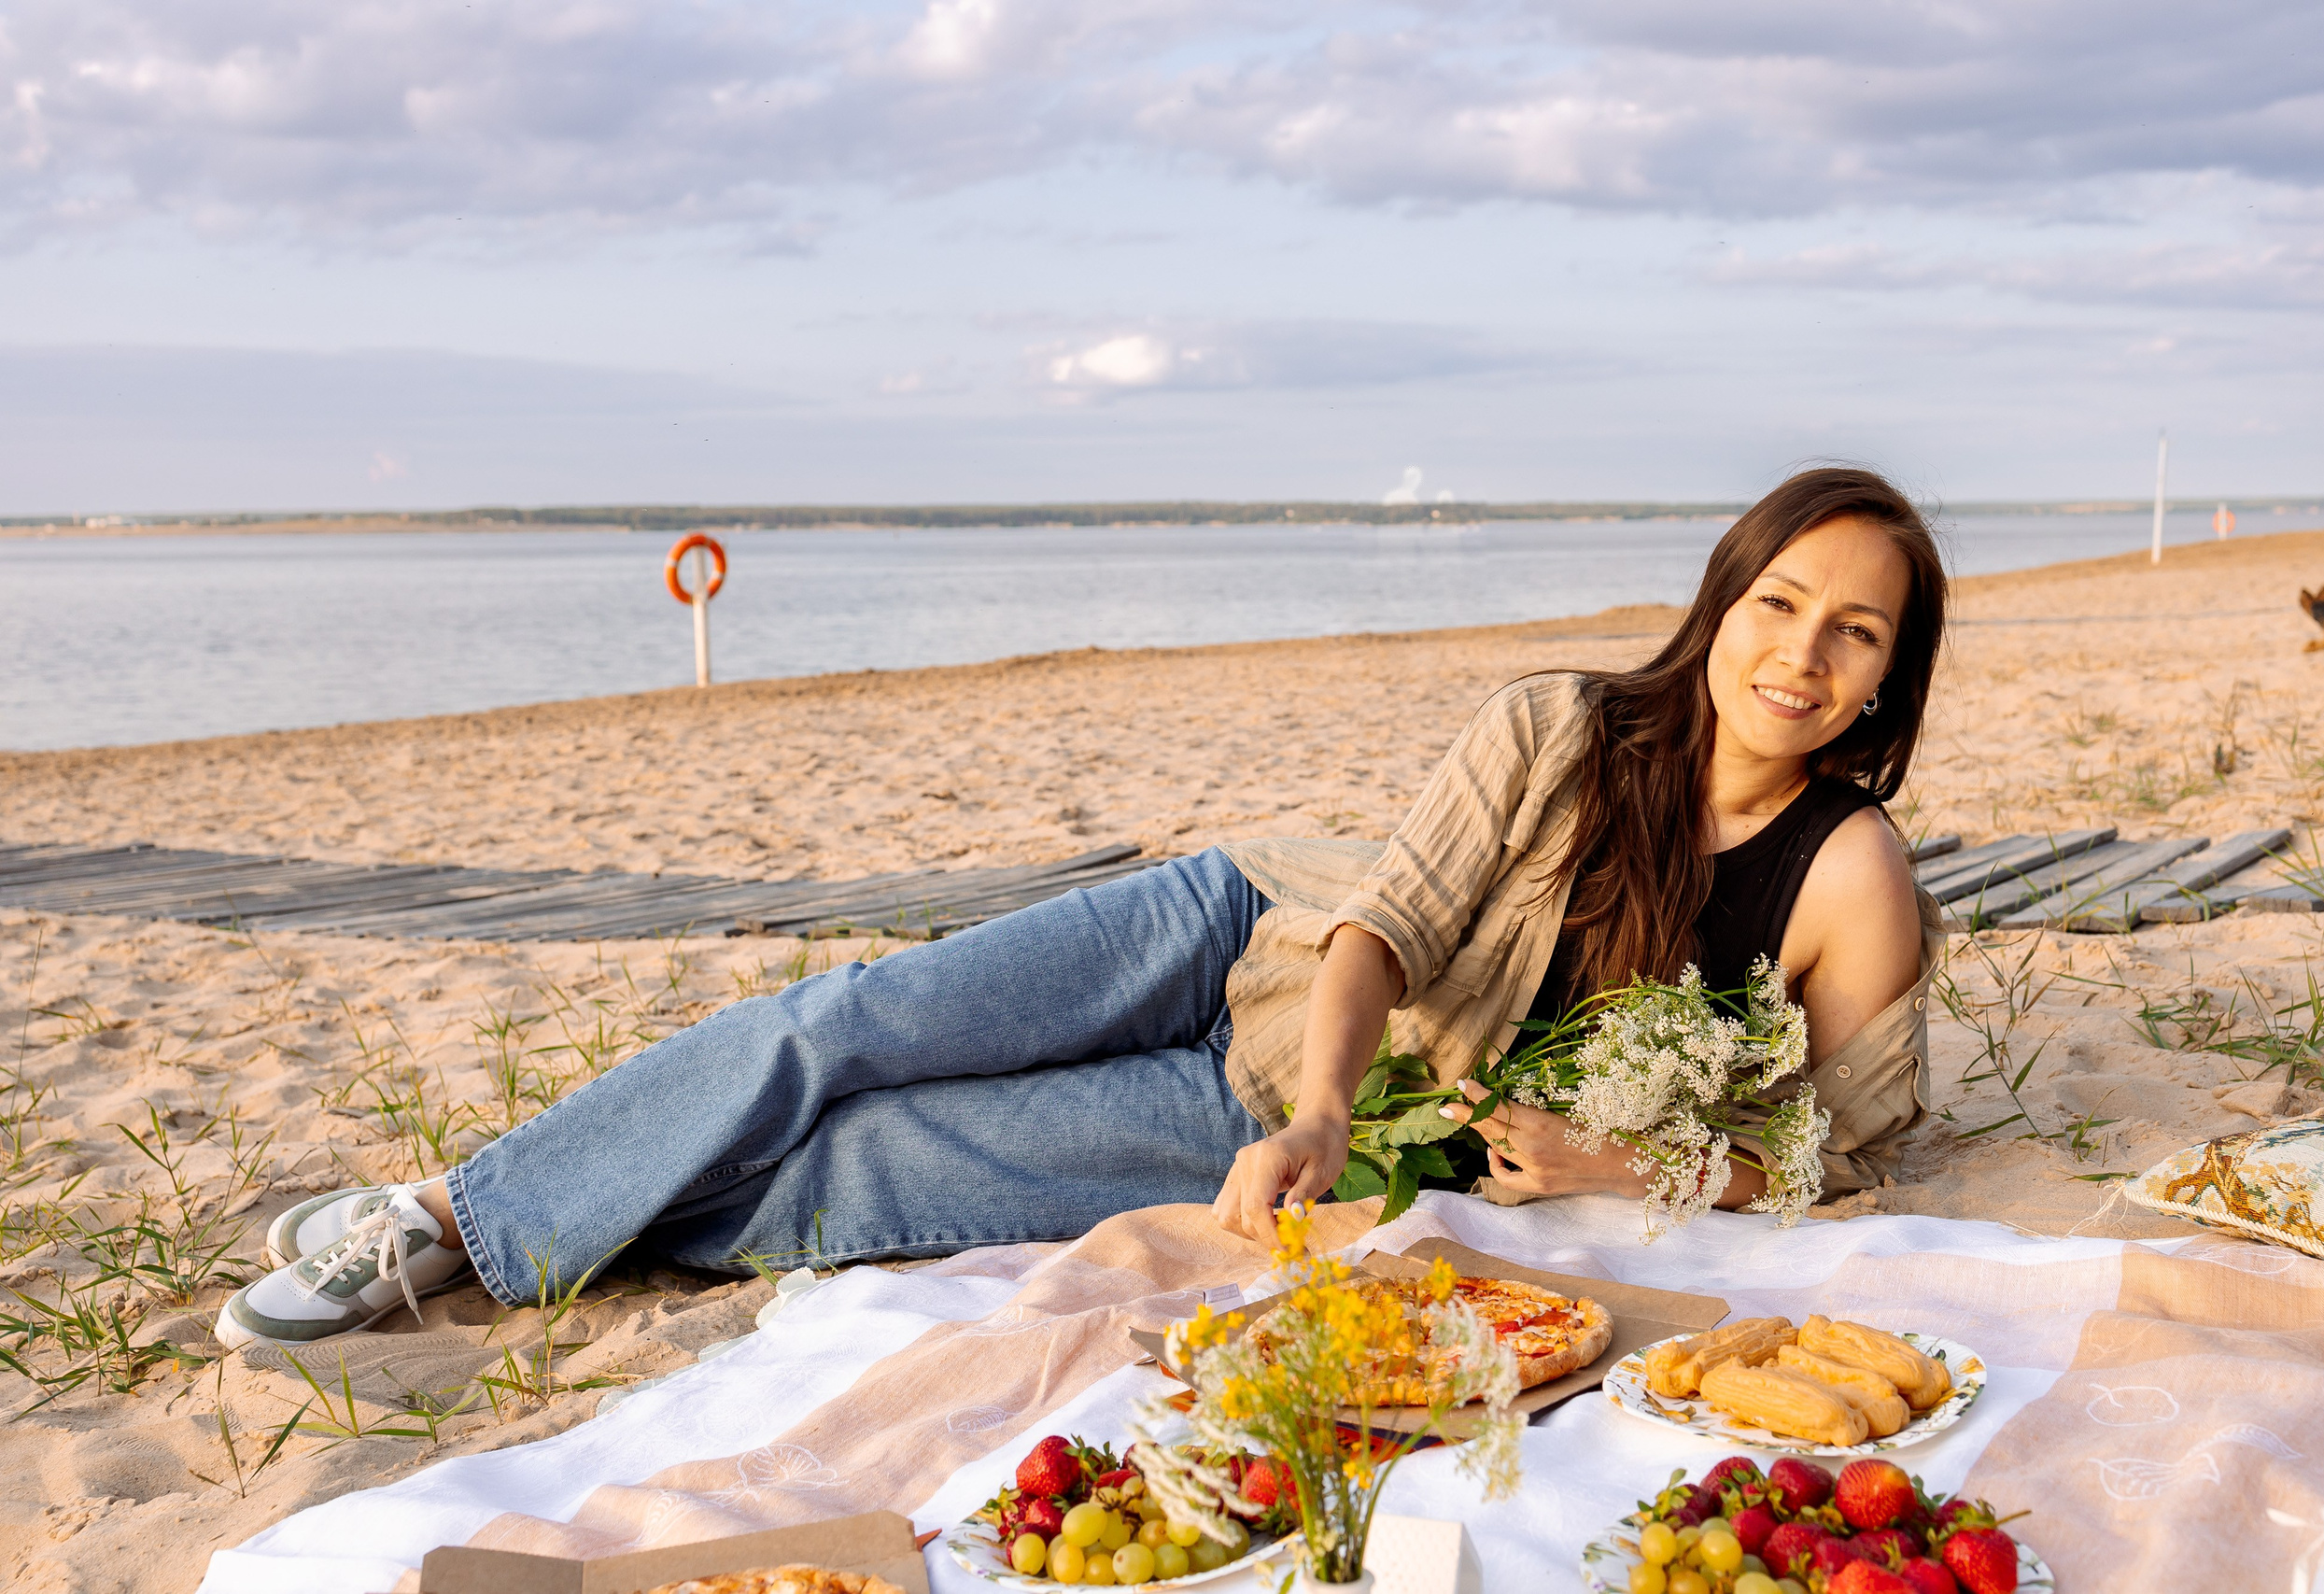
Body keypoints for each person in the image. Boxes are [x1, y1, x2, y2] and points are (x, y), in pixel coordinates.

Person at [216, 467, 1947, 1350]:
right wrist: (1338, 1105)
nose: (1803, 651)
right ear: (1722, 603)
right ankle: (452, 1219)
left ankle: (553, 1207)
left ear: (1885, 680)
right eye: (1780, 601)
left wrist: (1606, 1168)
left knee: (880, 1166)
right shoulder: (1561, 728)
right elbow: (1387, 931)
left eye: (1853, 631)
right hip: (1245, 940)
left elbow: (1847, 1158)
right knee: (848, 1025)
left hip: (1274, 1119)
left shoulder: (1852, 883)